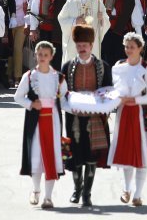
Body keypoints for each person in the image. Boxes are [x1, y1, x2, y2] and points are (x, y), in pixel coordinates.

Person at [107, 31, 147, 207]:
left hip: (142, 114)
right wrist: (117, 100)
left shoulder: (146, 68)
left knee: (142, 153)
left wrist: (134, 100)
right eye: (126, 47)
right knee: (125, 152)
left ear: (140, 48)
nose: (128, 50)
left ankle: (138, 194)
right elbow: (114, 91)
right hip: (124, 114)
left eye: (132, 47)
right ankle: (126, 189)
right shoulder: (118, 67)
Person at [61, 24, 112, 208]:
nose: (82, 49)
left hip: (95, 119)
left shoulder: (103, 67)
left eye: (85, 45)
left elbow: (108, 91)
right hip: (74, 118)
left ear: (91, 45)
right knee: (76, 157)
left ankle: (87, 195)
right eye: (79, 45)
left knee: (91, 157)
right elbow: (62, 93)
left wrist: (104, 104)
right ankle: (77, 189)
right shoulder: (67, 67)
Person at [14, 41, 69, 209]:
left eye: (46, 55)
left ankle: (48, 197)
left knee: (51, 156)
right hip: (35, 121)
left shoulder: (58, 77)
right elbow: (18, 96)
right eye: (40, 54)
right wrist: (31, 104)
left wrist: (85, 107)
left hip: (52, 121)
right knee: (36, 154)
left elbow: (65, 100)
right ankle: (36, 190)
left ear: (51, 56)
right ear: (35, 55)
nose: (43, 58)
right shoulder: (29, 76)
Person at [57, 0, 108, 65]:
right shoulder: (71, 2)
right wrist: (74, 21)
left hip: (91, 43)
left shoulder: (97, 3)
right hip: (73, 44)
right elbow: (61, 19)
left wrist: (102, 19)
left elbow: (106, 23)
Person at [100, 0, 144, 67]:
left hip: (122, 30)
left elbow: (136, 14)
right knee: (106, 60)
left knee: (122, 60)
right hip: (106, 31)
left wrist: (139, 36)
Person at [28, 0, 69, 70]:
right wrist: (33, 29)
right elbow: (34, 10)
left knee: (58, 54)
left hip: (59, 30)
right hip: (45, 28)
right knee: (45, 53)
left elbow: (73, 3)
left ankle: (57, 77)